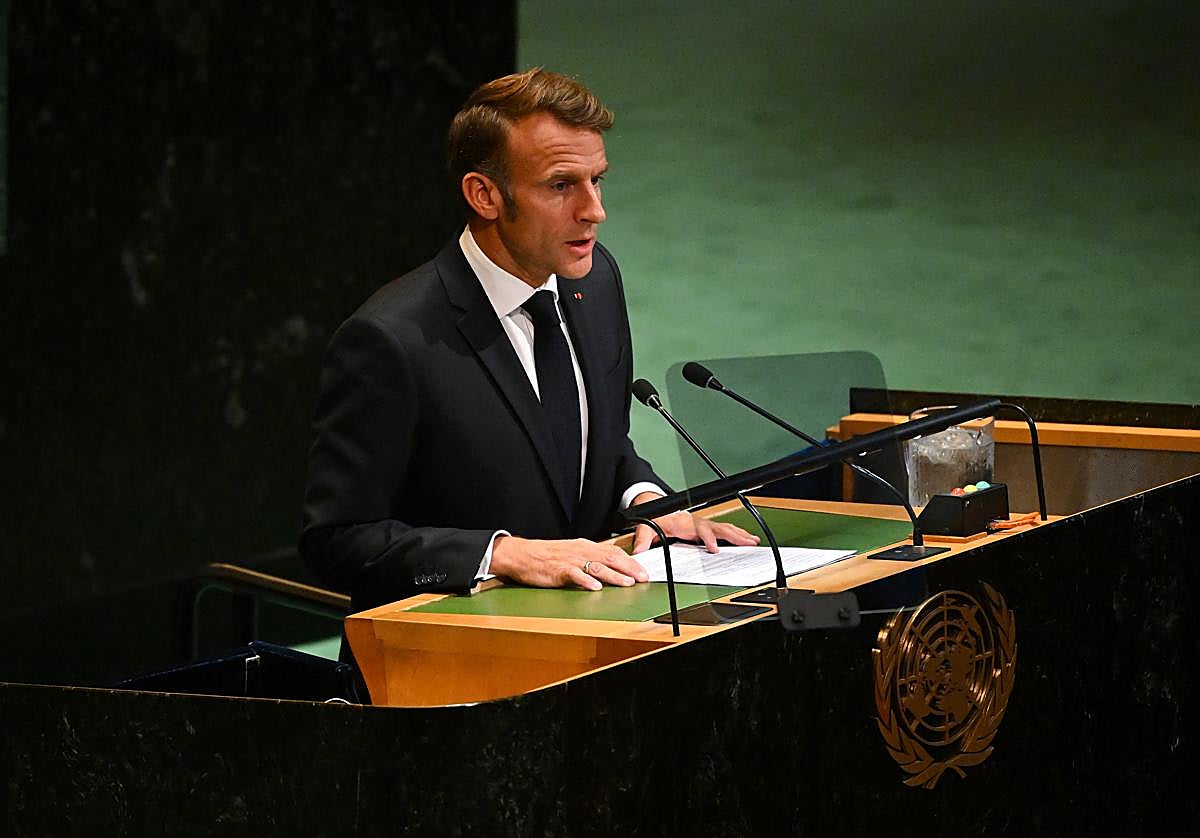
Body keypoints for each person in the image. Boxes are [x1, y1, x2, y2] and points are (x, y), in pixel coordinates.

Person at [300, 68, 756, 615]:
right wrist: (502, 554)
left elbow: (595, 446)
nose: (594, 210)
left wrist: (648, 502)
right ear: (485, 195)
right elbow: (337, 540)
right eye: (561, 186)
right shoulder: (391, 339)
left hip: (598, 630)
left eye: (597, 180)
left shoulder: (596, 280)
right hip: (455, 651)